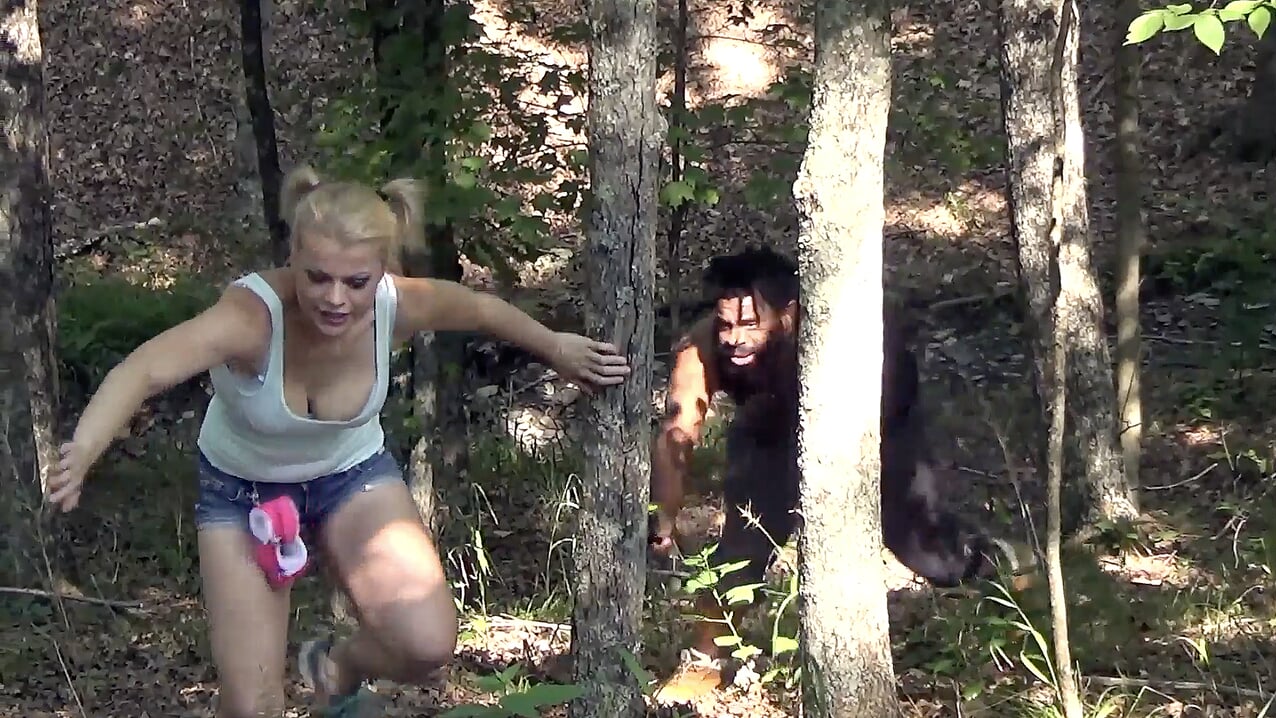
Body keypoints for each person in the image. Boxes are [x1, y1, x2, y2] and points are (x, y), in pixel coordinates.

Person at [43, 166, 632, 718]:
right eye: (317, 277)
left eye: (356, 282)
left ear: (382, 271)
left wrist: (556, 346)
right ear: (293, 257)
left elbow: (480, 309)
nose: (335, 299)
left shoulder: (396, 304)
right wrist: (85, 449)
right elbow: (144, 369)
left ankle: (336, 667)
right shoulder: (250, 317)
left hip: (350, 475)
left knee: (427, 644)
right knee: (253, 705)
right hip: (242, 493)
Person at [647, 246, 1027, 703]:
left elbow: (885, 397)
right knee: (743, 542)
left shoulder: (838, 330)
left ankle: (1008, 569)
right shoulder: (704, 346)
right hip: (770, 425)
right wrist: (664, 518)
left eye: (750, 325)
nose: (734, 339)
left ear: (789, 315)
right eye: (727, 325)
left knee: (920, 545)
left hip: (874, 415)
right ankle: (705, 660)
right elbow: (678, 433)